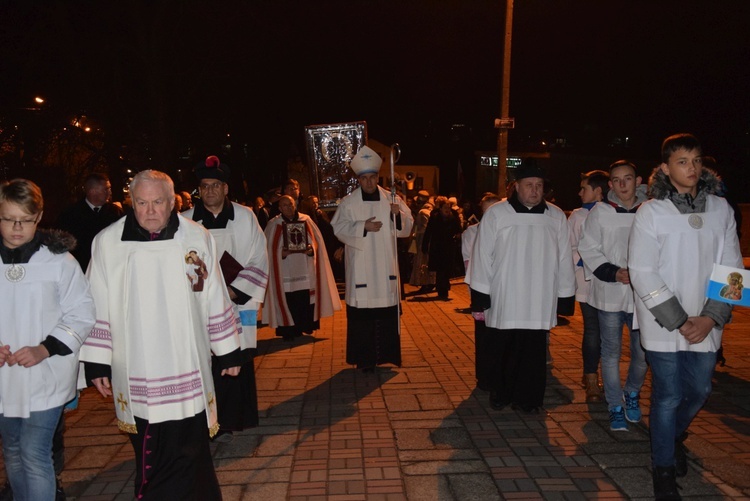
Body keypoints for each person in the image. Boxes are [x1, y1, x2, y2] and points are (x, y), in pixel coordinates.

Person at [80, 170, 242, 500]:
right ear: (130, 202)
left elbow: (213, 295)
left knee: (191, 449)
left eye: (158, 202)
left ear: (172, 203)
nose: (150, 210)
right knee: (154, 451)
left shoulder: (196, 238)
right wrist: (96, 363)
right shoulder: (109, 243)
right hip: (137, 368)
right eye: (142, 202)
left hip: (188, 364)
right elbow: (95, 303)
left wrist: (228, 350)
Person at [628, 134, 743, 500]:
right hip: (663, 321)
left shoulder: (721, 209)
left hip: (707, 322)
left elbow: (733, 270)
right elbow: (642, 270)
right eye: (682, 161)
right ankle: (662, 471)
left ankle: (671, 436)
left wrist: (709, 319)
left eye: (696, 160)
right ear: (665, 168)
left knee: (699, 390)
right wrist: (680, 320)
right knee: (668, 395)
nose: (691, 168)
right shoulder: (651, 212)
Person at [0, 179, 95, 501]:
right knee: (12, 449)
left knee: (33, 450)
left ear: (38, 217)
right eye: (8, 218)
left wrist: (45, 348)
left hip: (46, 372)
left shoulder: (58, 262)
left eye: (25, 220)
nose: (16, 228)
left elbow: (82, 313)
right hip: (4, 375)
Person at [469, 160, 575, 413]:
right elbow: (483, 254)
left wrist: (564, 296)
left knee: (533, 350)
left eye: (539, 186)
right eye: (529, 185)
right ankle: (501, 393)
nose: (535, 191)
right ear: (516, 186)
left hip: (539, 294)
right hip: (506, 292)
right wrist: (481, 293)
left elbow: (564, 257)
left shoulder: (556, 216)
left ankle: (528, 399)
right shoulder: (497, 213)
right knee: (502, 346)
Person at [183, 155, 269, 439]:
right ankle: (208, 421)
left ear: (226, 188)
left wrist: (233, 291)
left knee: (236, 357)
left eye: (215, 185)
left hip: (236, 300)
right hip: (200, 305)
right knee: (204, 361)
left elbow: (259, 257)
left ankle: (234, 418)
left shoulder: (245, 217)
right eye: (205, 186)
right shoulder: (185, 222)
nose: (210, 191)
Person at [578, 160, 649, 430]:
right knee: (610, 353)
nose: (622, 185)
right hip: (610, 291)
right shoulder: (600, 212)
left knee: (642, 353)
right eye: (616, 180)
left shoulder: (650, 211)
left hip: (642, 295)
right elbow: (588, 247)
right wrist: (614, 272)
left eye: (627, 179)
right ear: (609, 184)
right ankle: (614, 405)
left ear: (638, 180)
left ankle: (631, 393)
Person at [331, 146, 414, 371]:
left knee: (385, 313)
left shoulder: (392, 198)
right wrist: (362, 226)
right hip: (361, 267)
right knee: (363, 317)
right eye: (364, 178)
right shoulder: (349, 203)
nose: (369, 182)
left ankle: (386, 356)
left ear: (378, 177)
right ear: (358, 179)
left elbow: (406, 228)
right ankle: (364, 359)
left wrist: (399, 216)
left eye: (372, 177)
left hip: (385, 264)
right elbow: (337, 227)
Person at [263, 195, 340, 341]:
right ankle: (289, 330)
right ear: (279, 208)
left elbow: (317, 243)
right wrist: (281, 253)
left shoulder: (306, 220)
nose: (288, 208)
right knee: (289, 299)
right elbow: (267, 249)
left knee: (305, 297)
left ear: (295, 205)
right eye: (284, 205)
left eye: (291, 204)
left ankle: (307, 325)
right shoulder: (274, 224)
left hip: (305, 267)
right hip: (284, 270)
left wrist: (311, 250)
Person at [567, 170, 608, 403]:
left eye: (585, 188)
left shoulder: (612, 212)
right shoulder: (577, 216)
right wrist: (586, 259)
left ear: (599, 191)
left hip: (612, 281)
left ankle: (610, 378)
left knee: (609, 332)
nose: (580, 192)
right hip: (586, 280)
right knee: (593, 328)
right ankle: (591, 376)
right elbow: (569, 247)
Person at [462, 192, 501, 391]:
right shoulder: (472, 232)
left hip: (503, 291)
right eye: (487, 210)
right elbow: (470, 262)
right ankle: (484, 378)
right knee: (485, 337)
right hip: (483, 291)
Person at [56, 172, 124, 272]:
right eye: (106, 189)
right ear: (92, 191)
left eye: (109, 188)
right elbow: (63, 245)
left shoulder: (116, 213)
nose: (110, 192)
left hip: (109, 268)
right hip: (81, 268)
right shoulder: (70, 215)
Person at [422, 196, 463, 300]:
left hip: (449, 246)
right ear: (440, 208)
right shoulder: (435, 217)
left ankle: (444, 288)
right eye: (445, 207)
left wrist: (458, 237)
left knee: (447, 269)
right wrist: (425, 245)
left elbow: (458, 229)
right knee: (440, 270)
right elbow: (428, 232)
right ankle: (442, 290)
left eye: (448, 207)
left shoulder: (454, 216)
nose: (447, 209)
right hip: (438, 247)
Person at [409, 191, 436, 293]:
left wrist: (416, 235)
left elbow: (424, 228)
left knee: (422, 261)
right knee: (428, 261)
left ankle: (425, 282)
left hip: (423, 240)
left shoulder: (423, 212)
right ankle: (431, 281)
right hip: (430, 240)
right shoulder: (431, 209)